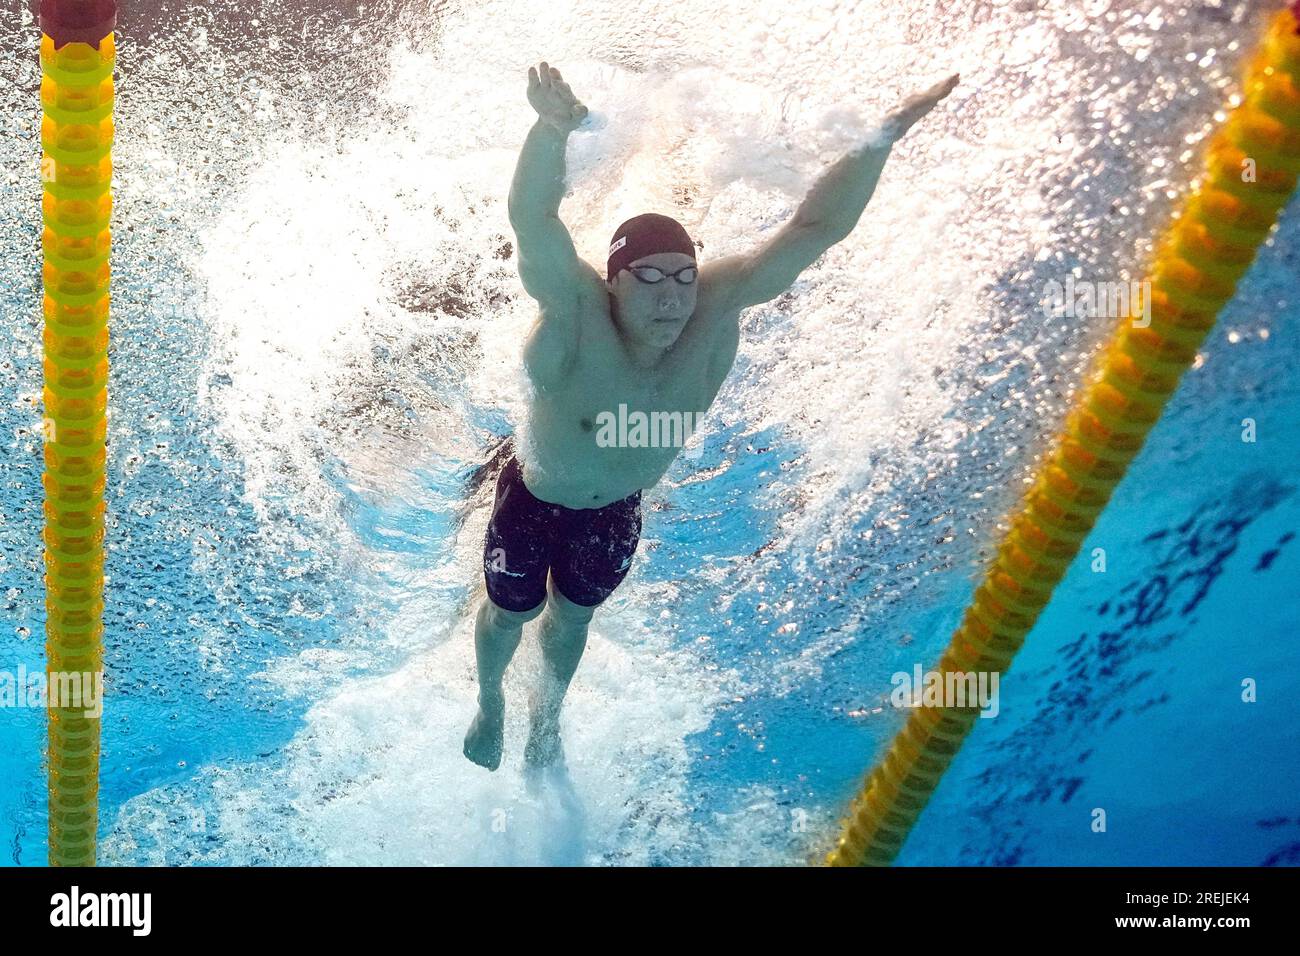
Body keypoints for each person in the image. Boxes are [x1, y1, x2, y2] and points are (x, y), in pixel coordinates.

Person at [464, 60, 959, 770]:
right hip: (536, 495)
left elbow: (816, 227)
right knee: (510, 615)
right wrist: (550, 130)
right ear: (614, 280)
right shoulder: (575, 313)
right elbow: (534, 220)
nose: (673, 298)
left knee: (573, 618)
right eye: (651, 280)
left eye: (685, 277)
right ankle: (492, 703)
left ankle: (548, 719)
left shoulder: (716, 309)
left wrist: (881, 137)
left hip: (615, 507)